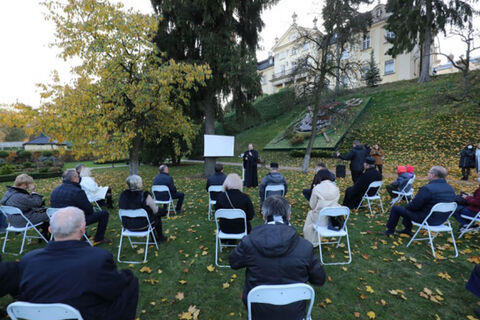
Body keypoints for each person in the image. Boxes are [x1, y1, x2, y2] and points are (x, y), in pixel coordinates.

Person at [18, 207, 139, 320]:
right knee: (130, 281)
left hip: (42, 316)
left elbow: (24, 295)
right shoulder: (98, 258)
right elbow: (113, 290)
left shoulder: (29, 259)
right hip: (87, 315)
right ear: (83, 228)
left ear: (50, 230)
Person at [229, 196, 325, 320]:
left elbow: (233, 262)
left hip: (259, 311)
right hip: (294, 312)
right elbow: (319, 279)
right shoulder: (305, 247)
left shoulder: (249, 242)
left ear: (263, 215)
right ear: (289, 215)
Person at [383, 166, 455, 236]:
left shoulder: (427, 189)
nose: (427, 174)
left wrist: (406, 207)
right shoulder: (451, 189)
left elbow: (414, 205)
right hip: (441, 220)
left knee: (397, 208)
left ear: (433, 175)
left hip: (426, 219)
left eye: (429, 172)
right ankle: (407, 230)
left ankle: (390, 231)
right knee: (409, 208)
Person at [50, 169, 110, 244]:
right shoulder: (77, 191)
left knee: (80, 212)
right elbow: (89, 210)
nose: (79, 178)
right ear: (74, 178)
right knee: (104, 214)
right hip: (72, 222)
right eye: (78, 177)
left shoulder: (55, 190)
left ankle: (83, 235)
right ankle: (99, 238)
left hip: (58, 221)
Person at [119, 175, 167, 243]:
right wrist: (164, 211)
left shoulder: (123, 195)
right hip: (143, 225)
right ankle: (160, 237)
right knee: (156, 216)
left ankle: (155, 238)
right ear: (139, 184)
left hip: (127, 225)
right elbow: (156, 210)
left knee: (150, 215)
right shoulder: (145, 196)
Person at [1, 174, 49, 238]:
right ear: (24, 184)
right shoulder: (20, 196)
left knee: (42, 212)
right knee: (50, 214)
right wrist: (33, 191)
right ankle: (52, 235)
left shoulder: (8, 193)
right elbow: (38, 203)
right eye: (29, 184)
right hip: (23, 221)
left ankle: (44, 232)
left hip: (12, 221)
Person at [303, 169, 340, 245]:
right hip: (334, 219)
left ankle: (311, 241)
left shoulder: (317, 188)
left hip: (321, 220)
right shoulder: (336, 188)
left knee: (310, 214)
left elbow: (312, 205)